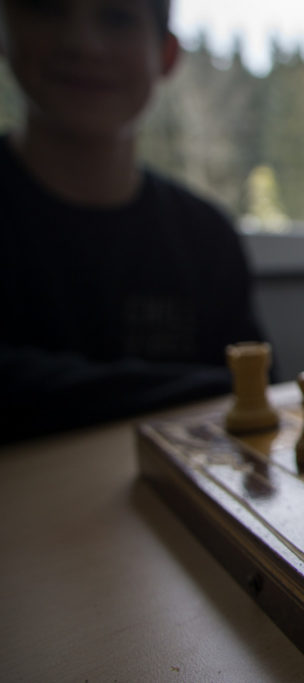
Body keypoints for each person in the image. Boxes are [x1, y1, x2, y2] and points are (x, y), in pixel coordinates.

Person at [0, 0, 268, 443]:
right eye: (47, 9)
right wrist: (199, 386)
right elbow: (230, 388)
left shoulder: (206, 235)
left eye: (117, 17)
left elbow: (254, 390)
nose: (83, 44)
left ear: (166, 54)